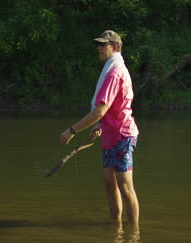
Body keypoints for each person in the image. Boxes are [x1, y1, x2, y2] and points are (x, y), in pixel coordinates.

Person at [59, 30, 140, 224]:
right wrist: (99, 124)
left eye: (104, 45)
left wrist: (72, 130)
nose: (99, 48)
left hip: (122, 135)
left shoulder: (115, 73)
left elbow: (100, 110)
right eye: (99, 45)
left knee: (125, 186)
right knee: (109, 182)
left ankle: (134, 235)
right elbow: (105, 111)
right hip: (110, 134)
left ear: (116, 48)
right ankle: (116, 230)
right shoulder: (110, 70)